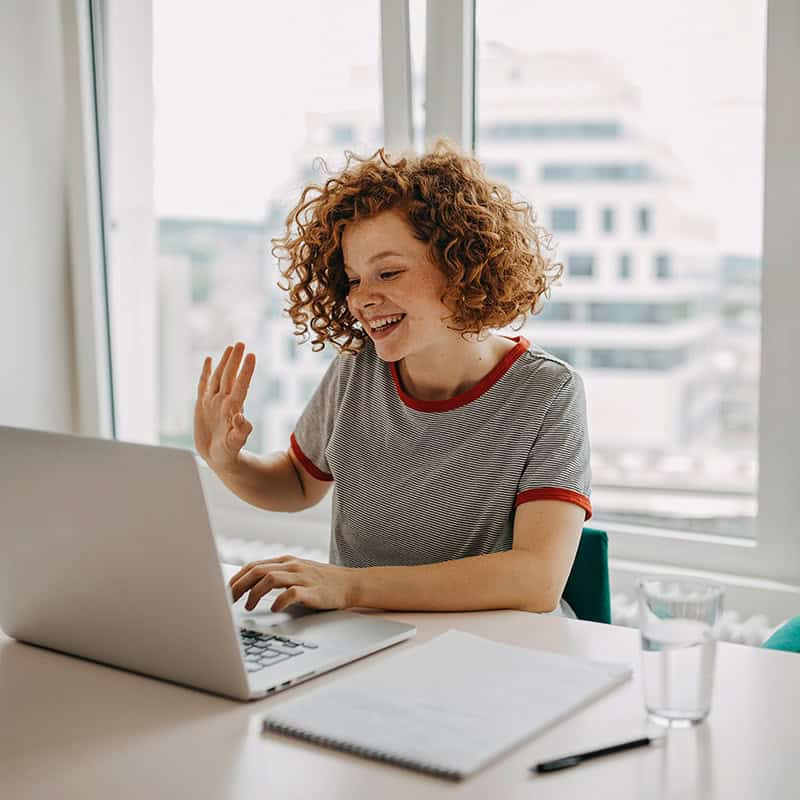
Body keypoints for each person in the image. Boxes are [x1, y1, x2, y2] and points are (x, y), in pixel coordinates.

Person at [193, 141, 591, 619]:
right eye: (354, 279)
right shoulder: (358, 367)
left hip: (489, 649)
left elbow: (536, 581)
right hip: (362, 639)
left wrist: (346, 587)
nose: (363, 298)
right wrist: (228, 462)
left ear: (461, 264)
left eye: (388, 272)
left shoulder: (547, 393)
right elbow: (299, 482)